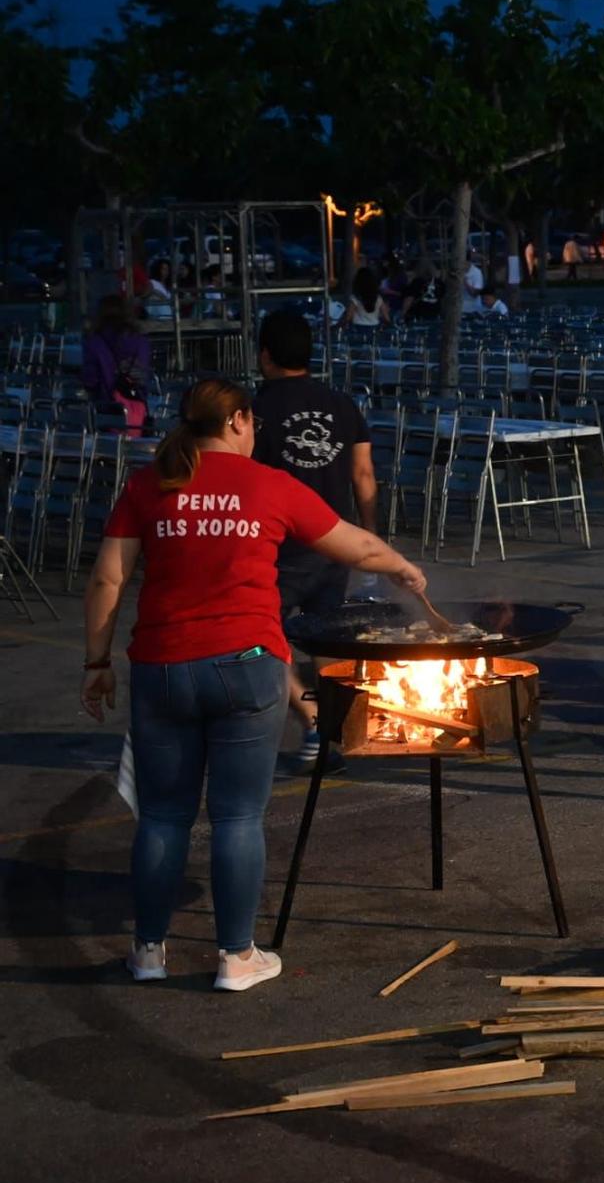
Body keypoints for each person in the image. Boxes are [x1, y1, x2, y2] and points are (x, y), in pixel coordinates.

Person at [82, 379, 425, 991]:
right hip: (246, 666)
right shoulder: (269, 485)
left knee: (162, 816)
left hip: (162, 666)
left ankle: (148, 953)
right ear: (238, 420)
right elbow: (355, 546)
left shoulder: (148, 482)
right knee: (238, 817)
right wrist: (402, 567)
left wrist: (96, 663)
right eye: (253, 424)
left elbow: (108, 579)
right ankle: (235, 958)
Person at [251, 311, 376, 770]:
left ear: (265, 354)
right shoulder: (343, 403)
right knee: (325, 641)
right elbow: (364, 476)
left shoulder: (255, 410)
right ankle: (330, 734)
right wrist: (367, 539)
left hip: (280, 549)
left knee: (259, 640)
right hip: (335, 542)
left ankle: (314, 722)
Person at [81, 294, 152, 434]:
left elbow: (90, 379)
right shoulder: (140, 340)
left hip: (105, 407)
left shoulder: (95, 341)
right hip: (135, 406)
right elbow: (143, 374)